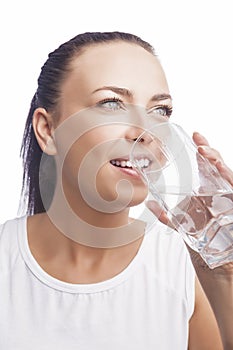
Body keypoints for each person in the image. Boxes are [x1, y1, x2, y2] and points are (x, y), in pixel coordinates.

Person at [0, 31, 232, 350]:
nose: (145, 132)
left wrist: (224, 271)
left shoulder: (184, 268)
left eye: (160, 111)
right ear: (48, 130)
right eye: (112, 104)